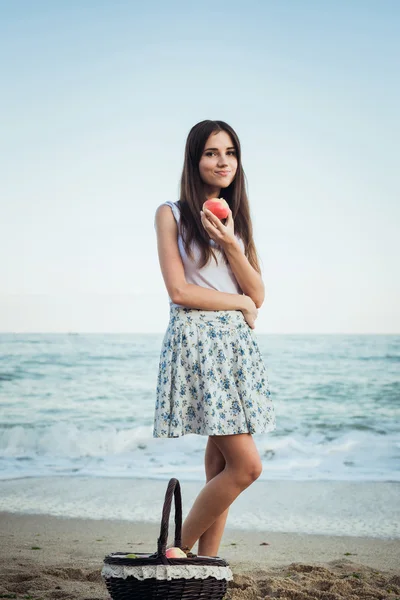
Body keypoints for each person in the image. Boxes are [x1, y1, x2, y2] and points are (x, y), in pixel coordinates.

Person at [153, 119, 276, 558]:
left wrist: (231, 246)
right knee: (246, 466)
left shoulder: (235, 220)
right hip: (199, 343)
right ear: (194, 159)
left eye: (230, 152)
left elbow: (258, 293)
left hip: (234, 348)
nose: (222, 161)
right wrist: (240, 304)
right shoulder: (172, 212)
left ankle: (204, 565)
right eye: (211, 152)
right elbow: (179, 291)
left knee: (220, 465)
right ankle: (177, 551)